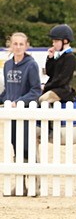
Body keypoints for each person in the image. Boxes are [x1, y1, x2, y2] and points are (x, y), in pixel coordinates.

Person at [1, 32, 42, 196]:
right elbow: (7, 92)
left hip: (25, 113)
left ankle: (34, 186)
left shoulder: (31, 65)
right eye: (15, 44)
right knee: (16, 149)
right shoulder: (7, 65)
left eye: (21, 44)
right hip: (12, 115)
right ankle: (20, 185)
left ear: (26, 46)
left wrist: (19, 101)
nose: (17, 47)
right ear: (10, 45)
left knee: (27, 149)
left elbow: (36, 90)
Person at [40, 24, 76, 105]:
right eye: (53, 41)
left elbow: (62, 80)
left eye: (56, 41)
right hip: (55, 89)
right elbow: (49, 73)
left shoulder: (70, 57)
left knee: (43, 100)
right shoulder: (60, 56)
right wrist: (50, 58)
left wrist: (46, 86)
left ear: (65, 41)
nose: (53, 44)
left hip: (62, 91)